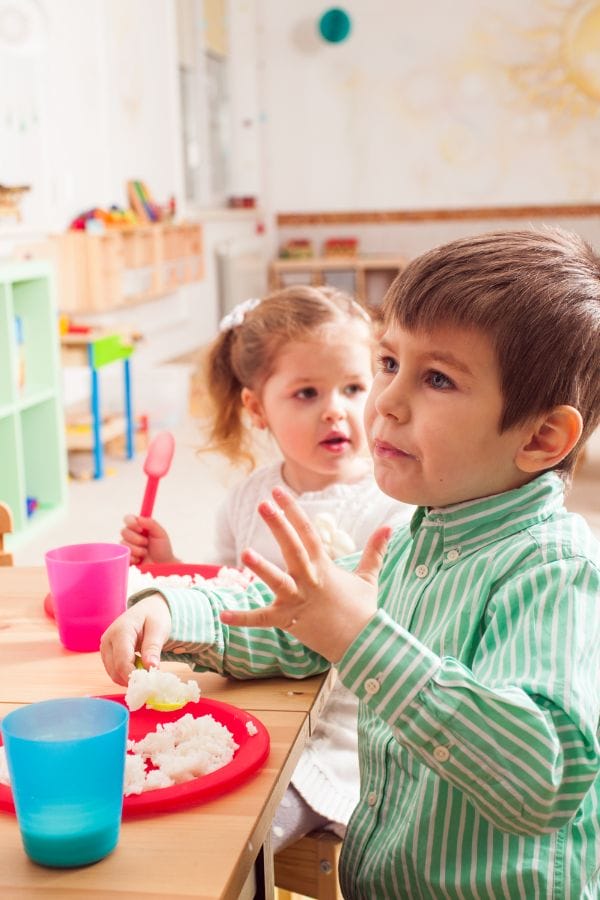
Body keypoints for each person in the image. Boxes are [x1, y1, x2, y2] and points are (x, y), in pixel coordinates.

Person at [102, 228, 600, 899]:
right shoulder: (418, 535)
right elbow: (298, 613)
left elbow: (543, 778)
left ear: (540, 437)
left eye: (438, 378)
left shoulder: (554, 569)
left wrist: (362, 639)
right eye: (389, 362)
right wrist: (175, 610)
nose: (384, 402)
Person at [119, 284, 413, 852]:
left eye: (355, 387)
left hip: (340, 730)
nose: (336, 408)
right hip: (249, 698)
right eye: (307, 392)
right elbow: (230, 593)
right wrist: (171, 566)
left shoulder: (392, 505)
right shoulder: (246, 499)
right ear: (256, 408)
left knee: (233, 838)